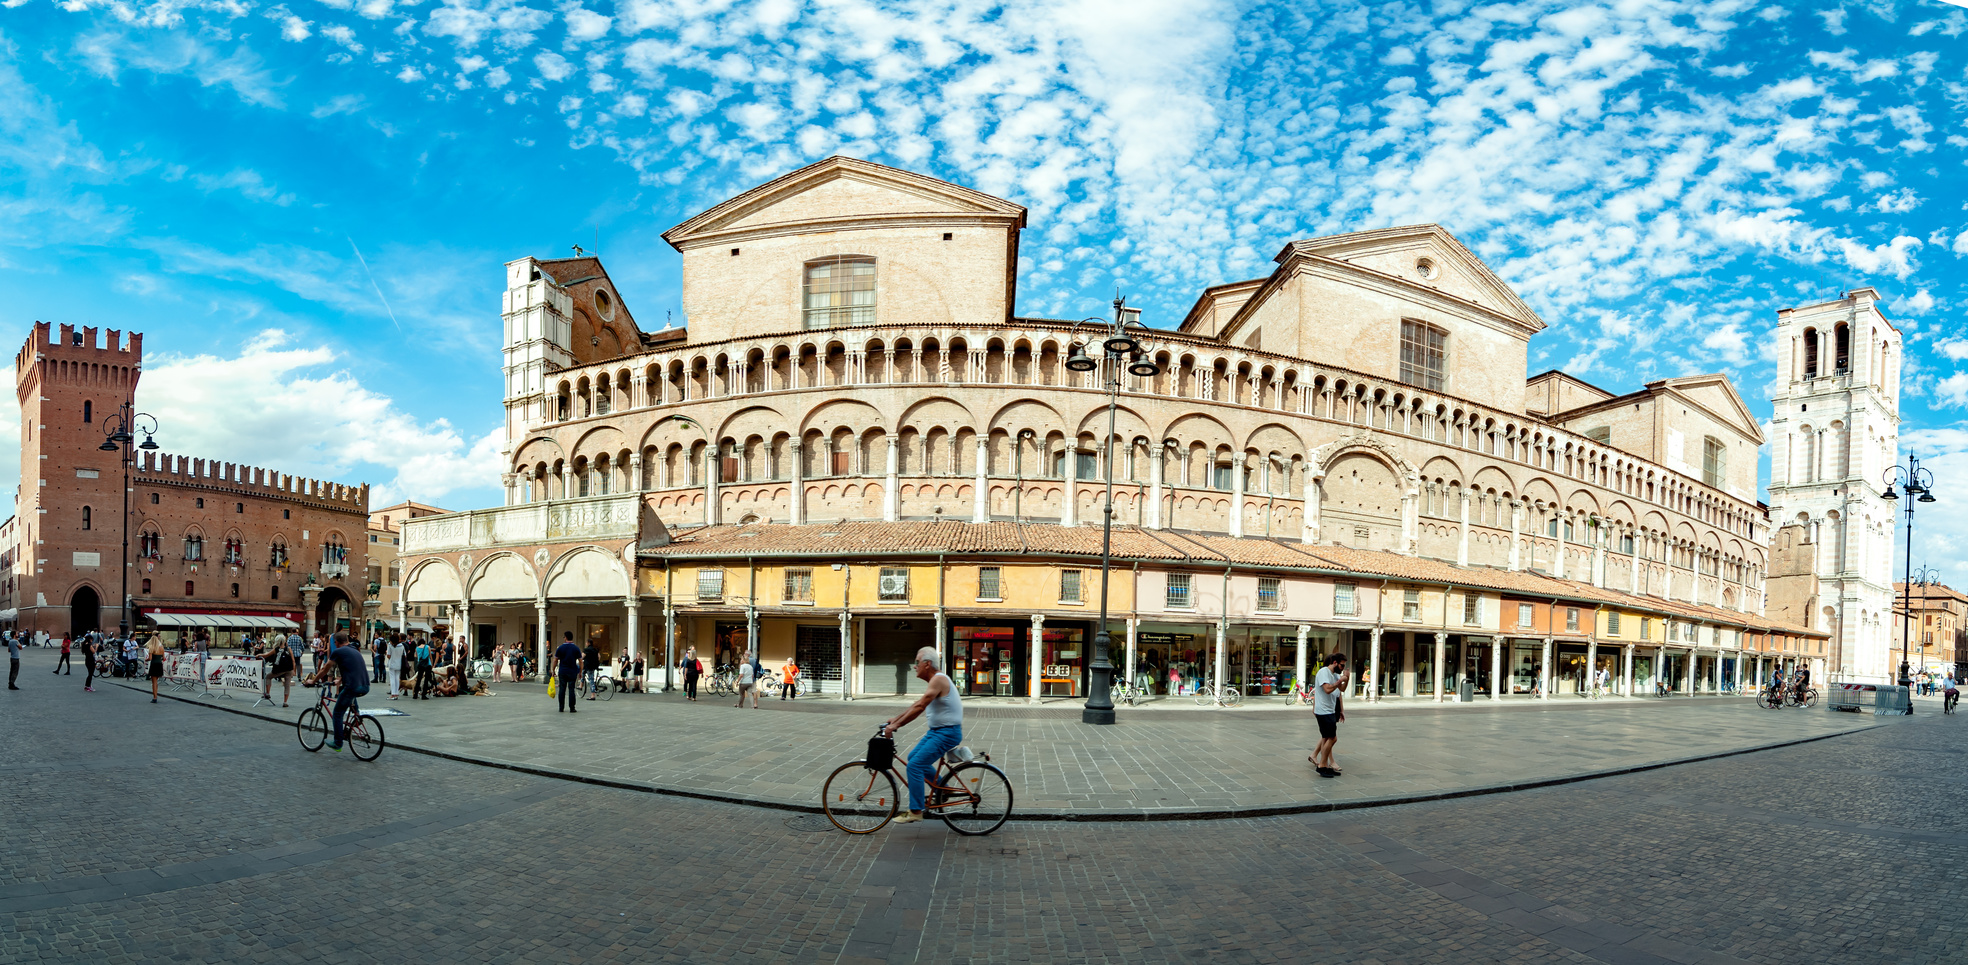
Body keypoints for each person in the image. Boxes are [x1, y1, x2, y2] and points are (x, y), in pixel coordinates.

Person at [882, 647, 964, 826]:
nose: (914, 666)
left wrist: (897, 725)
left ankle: (916, 810)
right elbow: (918, 704)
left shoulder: (939, 680)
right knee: (913, 758)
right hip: (938, 731)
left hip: (946, 733)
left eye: (917, 662)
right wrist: (895, 719)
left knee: (914, 765)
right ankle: (945, 789)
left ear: (927, 664)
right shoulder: (936, 680)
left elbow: (920, 708)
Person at [307, 632, 371, 753]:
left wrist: (313, 680)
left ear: (336, 642)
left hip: (353, 686)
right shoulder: (354, 650)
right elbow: (353, 668)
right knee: (349, 696)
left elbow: (325, 668)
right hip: (365, 686)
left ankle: (337, 743)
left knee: (337, 713)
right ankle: (357, 718)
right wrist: (340, 679)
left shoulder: (338, 651)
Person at [1309, 652, 1349, 778]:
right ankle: (1322, 765)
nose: (1342, 668)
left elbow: (1341, 690)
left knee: (1327, 738)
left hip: (1330, 710)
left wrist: (1346, 679)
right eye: (1342, 665)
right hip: (1323, 711)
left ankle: (1324, 765)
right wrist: (1340, 681)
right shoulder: (1323, 672)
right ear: (1335, 662)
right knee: (1332, 738)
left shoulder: (1335, 674)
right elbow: (1327, 689)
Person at [263, 634, 299, 707]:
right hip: (289, 669)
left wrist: (258, 655)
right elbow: (293, 660)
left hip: (280, 669)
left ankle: (268, 693)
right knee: (287, 685)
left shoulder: (276, 649)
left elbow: (266, 655)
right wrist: (293, 670)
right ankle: (285, 702)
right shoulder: (289, 649)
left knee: (268, 677)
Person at [554, 631, 582, 713]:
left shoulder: (560, 648)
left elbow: (555, 660)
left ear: (565, 637)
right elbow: (581, 661)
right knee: (571, 689)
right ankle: (572, 707)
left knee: (562, 689)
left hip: (563, 671)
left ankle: (561, 707)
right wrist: (580, 672)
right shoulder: (576, 648)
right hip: (572, 671)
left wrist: (553, 670)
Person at [413, 636, 435, 700]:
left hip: (420, 664)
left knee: (419, 679)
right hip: (427, 664)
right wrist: (432, 664)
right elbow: (430, 656)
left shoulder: (417, 648)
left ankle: (415, 694)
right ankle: (424, 694)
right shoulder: (427, 647)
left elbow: (416, 656)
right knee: (426, 679)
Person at [146, 634, 166, 702]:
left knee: (154, 682)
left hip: (154, 664)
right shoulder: (161, 647)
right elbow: (164, 658)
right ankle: (156, 694)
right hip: (159, 664)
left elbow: (150, 658)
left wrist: (146, 660)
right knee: (156, 681)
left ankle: (155, 697)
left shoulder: (151, 647)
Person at [386, 634, 406, 699]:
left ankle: (393, 694)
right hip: (399, 664)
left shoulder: (390, 645)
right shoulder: (402, 646)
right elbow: (404, 655)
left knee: (392, 679)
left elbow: (388, 655)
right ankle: (396, 693)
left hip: (392, 663)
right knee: (397, 679)